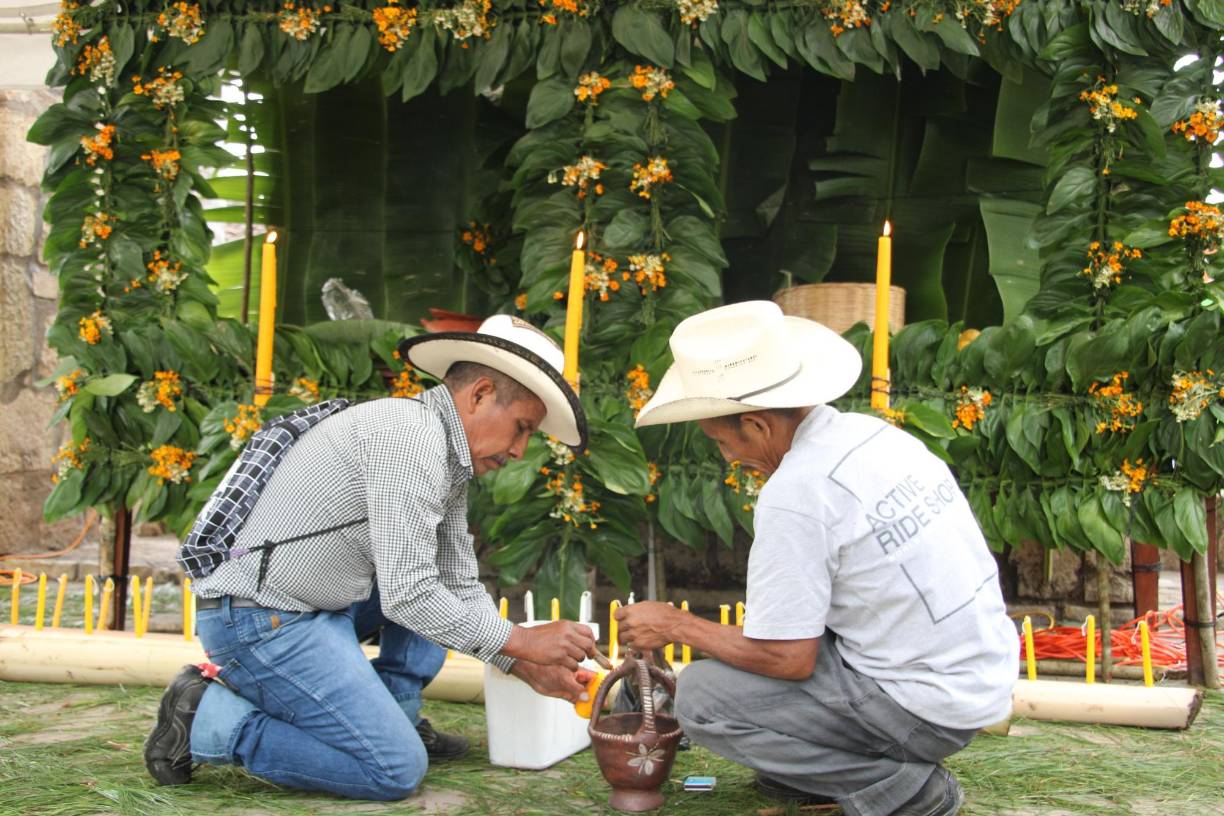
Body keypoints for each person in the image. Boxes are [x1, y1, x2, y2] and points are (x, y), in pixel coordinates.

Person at [145, 315, 598, 800]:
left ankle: (393, 711)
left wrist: (517, 662)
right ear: (481, 394)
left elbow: (458, 584)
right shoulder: (410, 440)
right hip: (259, 621)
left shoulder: (444, 452)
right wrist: (521, 642)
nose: (519, 450)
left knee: (437, 590)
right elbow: (409, 596)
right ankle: (208, 719)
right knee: (394, 769)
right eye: (521, 428)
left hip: (318, 605)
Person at [615, 301, 1016, 816]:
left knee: (701, 699)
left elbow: (788, 657)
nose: (727, 458)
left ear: (758, 427)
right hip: (977, 680)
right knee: (757, 662)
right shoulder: (877, 437)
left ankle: (903, 791)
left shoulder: (797, 491)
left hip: (925, 708)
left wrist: (675, 625)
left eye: (721, 441)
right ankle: (822, 768)